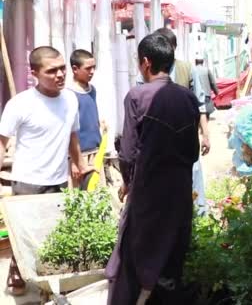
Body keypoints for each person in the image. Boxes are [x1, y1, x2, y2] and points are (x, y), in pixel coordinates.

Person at [105, 33, 200, 305]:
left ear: (145, 62)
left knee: (134, 261)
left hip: (148, 194)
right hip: (180, 193)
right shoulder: (188, 98)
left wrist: (127, 183)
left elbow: (127, 153)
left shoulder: (137, 96)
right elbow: (192, 152)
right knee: (172, 259)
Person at [0, 46, 91, 295]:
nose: (60, 74)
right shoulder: (20, 104)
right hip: (27, 181)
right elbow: (2, 142)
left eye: (62, 68)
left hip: (58, 180)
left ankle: (48, 284)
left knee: (54, 233)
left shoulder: (71, 99)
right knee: (24, 235)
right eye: (52, 71)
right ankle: (16, 274)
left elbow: (72, 134)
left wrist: (79, 163)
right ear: (34, 74)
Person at [152, 27, 209, 213]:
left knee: (193, 172)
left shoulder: (186, 68)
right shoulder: (147, 72)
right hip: (159, 138)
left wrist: (205, 134)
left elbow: (200, 105)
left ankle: (198, 213)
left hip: (186, 134)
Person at [69, 49, 104, 188]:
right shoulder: (69, 94)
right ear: (75, 69)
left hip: (95, 151)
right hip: (79, 154)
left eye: (94, 67)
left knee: (95, 193)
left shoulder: (92, 90)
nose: (92, 71)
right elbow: (69, 129)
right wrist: (73, 160)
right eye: (88, 68)